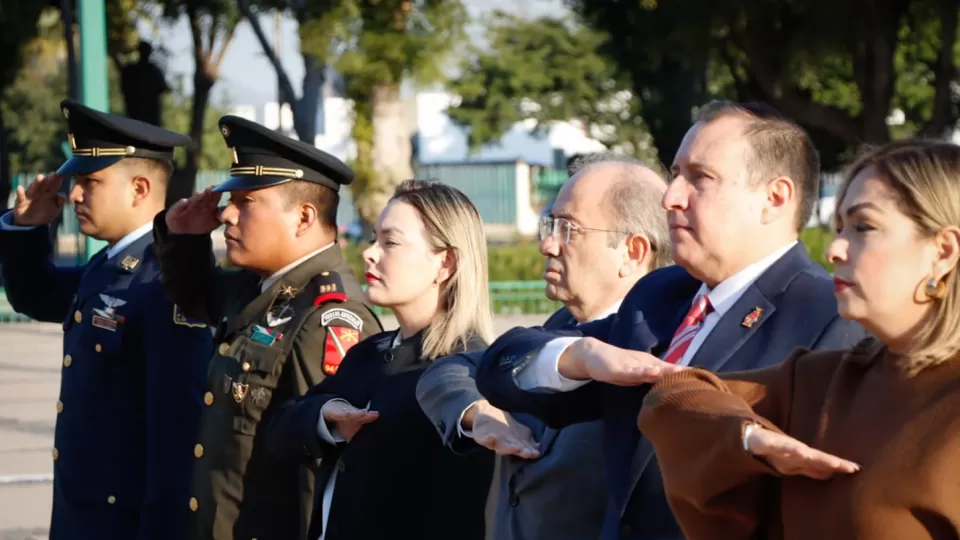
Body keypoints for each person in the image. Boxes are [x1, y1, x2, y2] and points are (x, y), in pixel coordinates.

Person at [475, 101, 867, 540]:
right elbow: (500, 368)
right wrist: (581, 355)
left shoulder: (829, 317)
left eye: (700, 177)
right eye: (676, 174)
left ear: (773, 199)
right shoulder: (660, 296)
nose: (670, 196)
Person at [639, 140, 960, 540]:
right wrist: (748, 437)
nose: (835, 250)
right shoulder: (820, 380)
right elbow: (671, 397)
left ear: (943, 251)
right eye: (838, 228)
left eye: (864, 227)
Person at [415, 152, 672, 540]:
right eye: (549, 225)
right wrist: (477, 413)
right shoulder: (560, 328)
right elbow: (449, 371)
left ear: (631, 252)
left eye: (569, 229)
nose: (547, 245)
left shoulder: (660, 350)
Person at [153, 115, 382, 540]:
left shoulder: (328, 317)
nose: (226, 216)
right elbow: (196, 296)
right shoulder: (258, 287)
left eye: (246, 203)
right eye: (230, 201)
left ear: (303, 217)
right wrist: (182, 238)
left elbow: (319, 474)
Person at [0, 99, 212, 540]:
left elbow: (174, 443)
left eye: (89, 182)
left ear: (138, 189)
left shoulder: (165, 281)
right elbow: (37, 295)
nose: (75, 194)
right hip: (84, 518)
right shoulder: (110, 264)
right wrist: (25, 229)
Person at [264, 180, 495, 540]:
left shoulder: (467, 372)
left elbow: (458, 519)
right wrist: (327, 418)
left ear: (445, 263)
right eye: (374, 239)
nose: (369, 253)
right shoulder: (368, 354)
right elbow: (280, 430)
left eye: (391, 242)